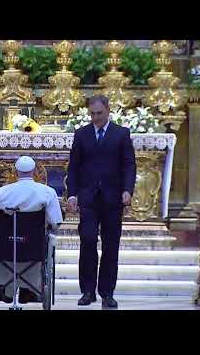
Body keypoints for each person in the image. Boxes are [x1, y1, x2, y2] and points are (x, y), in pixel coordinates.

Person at [66, 95, 136, 309]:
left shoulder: (121, 134)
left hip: (112, 198)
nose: (95, 118)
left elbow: (129, 165)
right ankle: (87, 290)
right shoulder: (82, 134)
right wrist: (72, 194)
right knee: (87, 240)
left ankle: (107, 292)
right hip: (88, 197)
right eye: (92, 114)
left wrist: (127, 190)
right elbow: (74, 167)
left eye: (99, 113)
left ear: (107, 111)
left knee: (110, 245)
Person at [0, 155, 63, 303]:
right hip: (34, 250)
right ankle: (31, 289)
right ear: (34, 171)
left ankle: (6, 289)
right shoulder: (47, 192)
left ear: (16, 171)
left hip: (5, 250)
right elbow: (55, 222)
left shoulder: (2, 192)